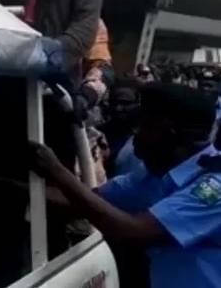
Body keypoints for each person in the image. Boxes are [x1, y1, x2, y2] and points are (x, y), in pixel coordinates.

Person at [30, 83, 221, 288]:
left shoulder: (214, 186)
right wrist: (8, 188)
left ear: (172, 133)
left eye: (146, 126)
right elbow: (85, 200)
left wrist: (56, 170)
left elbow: (130, 230)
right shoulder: (157, 173)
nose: (135, 135)